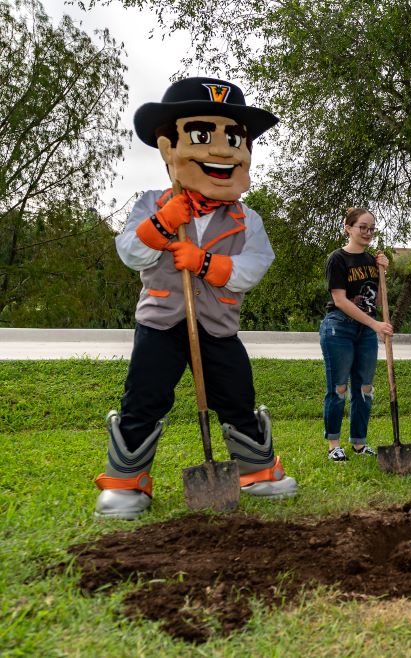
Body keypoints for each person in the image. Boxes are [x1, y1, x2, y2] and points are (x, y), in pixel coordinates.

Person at [95, 76, 297, 519]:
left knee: (237, 394)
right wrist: (164, 223)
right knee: (144, 396)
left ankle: (257, 470)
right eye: (203, 136)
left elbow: (255, 265)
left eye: (233, 138)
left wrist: (206, 264)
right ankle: (127, 482)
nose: (221, 150)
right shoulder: (151, 202)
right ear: (170, 146)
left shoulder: (247, 218)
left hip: (218, 328)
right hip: (161, 324)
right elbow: (130, 252)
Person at [319, 208, 392, 462]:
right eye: (362, 227)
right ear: (348, 228)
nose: (368, 232)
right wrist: (375, 325)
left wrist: (383, 272)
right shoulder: (337, 259)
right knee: (338, 388)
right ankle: (333, 445)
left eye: (372, 228)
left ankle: (359, 444)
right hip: (339, 328)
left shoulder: (373, 260)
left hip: (366, 331)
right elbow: (339, 300)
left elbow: (379, 301)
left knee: (365, 388)